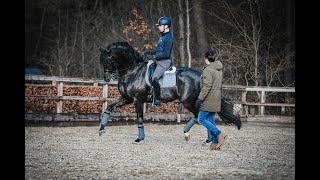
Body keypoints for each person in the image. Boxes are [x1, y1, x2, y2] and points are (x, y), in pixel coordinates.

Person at [194, 50, 227, 150]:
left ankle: (219, 134)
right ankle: (215, 143)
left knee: (201, 119)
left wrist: (199, 99)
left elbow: (207, 86)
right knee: (210, 119)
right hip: (216, 97)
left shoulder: (207, 70)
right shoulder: (219, 69)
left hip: (208, 98)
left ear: (206, 59)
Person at [144, 16, 174, 106]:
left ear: (166, 26)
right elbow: (159, 51)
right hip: (159, 61)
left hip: (164, 62)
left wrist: (153, 56)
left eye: (160, 25)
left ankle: (157, 100)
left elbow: (166, 54)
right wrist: (149, 52)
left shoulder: (168, 38)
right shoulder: (162, 37)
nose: (158, 27)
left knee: (154, 78)